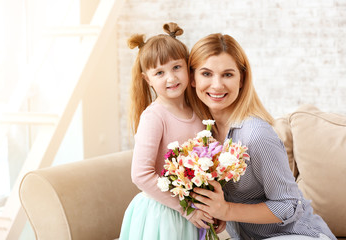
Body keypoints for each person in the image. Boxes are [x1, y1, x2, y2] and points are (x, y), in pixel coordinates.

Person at [187, 33, 337, 240]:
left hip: (299, 235)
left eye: (228, 75)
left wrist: (227, 210)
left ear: (241, 79)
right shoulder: (203, 137)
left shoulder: (256, 134)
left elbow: (288, 205)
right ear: (192, 79)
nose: (217, 85)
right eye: (206, 74)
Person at [119, 22, 218, 240]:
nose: (171, 78)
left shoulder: (200, 112)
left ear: (187, 67)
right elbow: (141, 174)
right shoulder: (154, 117)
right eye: (160, 72)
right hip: (163, 214)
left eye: (176, 67)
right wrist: (186, 209)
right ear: (148, 79)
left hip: (192, 212)